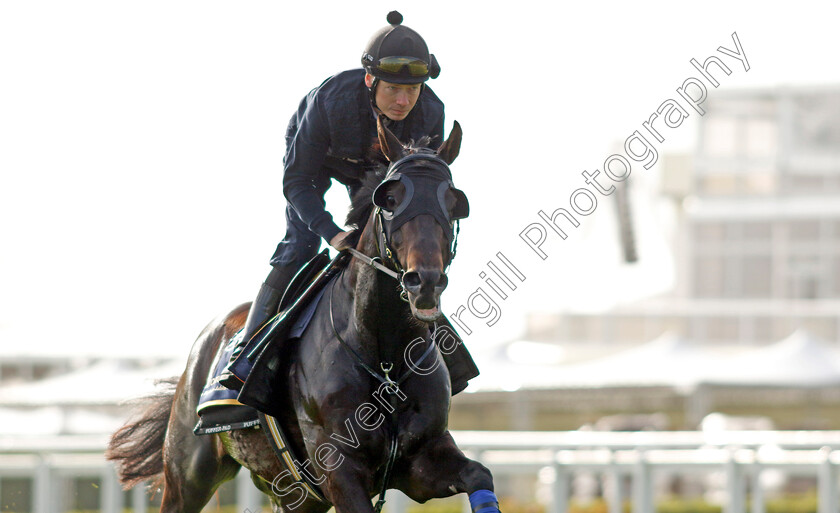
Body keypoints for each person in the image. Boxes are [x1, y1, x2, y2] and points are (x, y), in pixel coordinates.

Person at [243, 11, 445, 346]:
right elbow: (296, 183)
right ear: (370, 80)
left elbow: (422, 191)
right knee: (301, 245)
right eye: (393, 88)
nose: (403, 101)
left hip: (378, 170)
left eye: (413, 90)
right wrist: (331, 233)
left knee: (401, 245)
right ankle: (244, 356)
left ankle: (436, 345)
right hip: (319, 161)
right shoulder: (329, 102)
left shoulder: (432, 112)